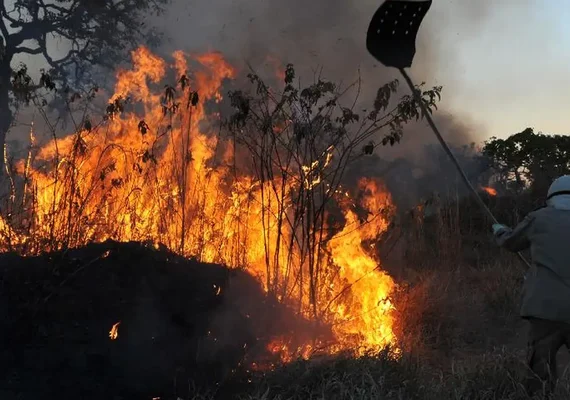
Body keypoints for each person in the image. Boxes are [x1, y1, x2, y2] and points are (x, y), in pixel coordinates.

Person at [493, 175, 570, 397]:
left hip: (545, 309)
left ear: (551, 197)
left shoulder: (538, 218)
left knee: (540, 372)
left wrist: (499, 230)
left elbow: (511, 242)